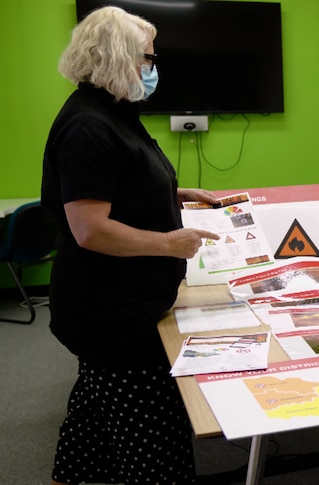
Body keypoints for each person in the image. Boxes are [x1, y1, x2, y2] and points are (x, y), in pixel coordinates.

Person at [42, 7, 220, 484]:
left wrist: (175, 193)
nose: (153, 67)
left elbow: (118, 185)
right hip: (113, 314)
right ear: (117, 57)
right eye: (147, 58)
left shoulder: (111, 110)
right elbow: (91, 228)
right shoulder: (89, 126)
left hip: (110, 306)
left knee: (94, 410)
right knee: (154, 441)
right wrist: (169, 243)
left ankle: (70, 475)